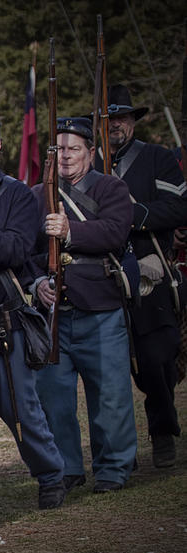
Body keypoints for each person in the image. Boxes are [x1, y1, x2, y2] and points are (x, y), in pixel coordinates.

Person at [0, 106, 66, 509]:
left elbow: (17, 249)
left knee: (22, 411)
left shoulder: (18, 194)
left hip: (4, 323)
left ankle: (50, 475)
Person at [32, 116, 138, 493]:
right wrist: (37, 282)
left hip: (100, 307)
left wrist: (71, 230)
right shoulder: (38, 193)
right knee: (54, 398)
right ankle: (65, 468)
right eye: (59, 148)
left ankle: (113, 469)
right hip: (55, 312)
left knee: (110, 395)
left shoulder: (111, 188)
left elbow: (115, 232)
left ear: (90, 154)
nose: (65, 156)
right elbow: (26, 251)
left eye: (74, 148)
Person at [97, 85, 187, 468]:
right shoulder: (87, 161)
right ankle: (117, 450)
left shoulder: (157, 158)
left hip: (149, 270)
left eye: (122, 117)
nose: (116, 124)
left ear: (132, 121)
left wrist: (132, 215)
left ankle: (163, 431)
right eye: (109, 117)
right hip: (100, 272)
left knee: (157, 359)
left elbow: (178, 209)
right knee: (105, 367)